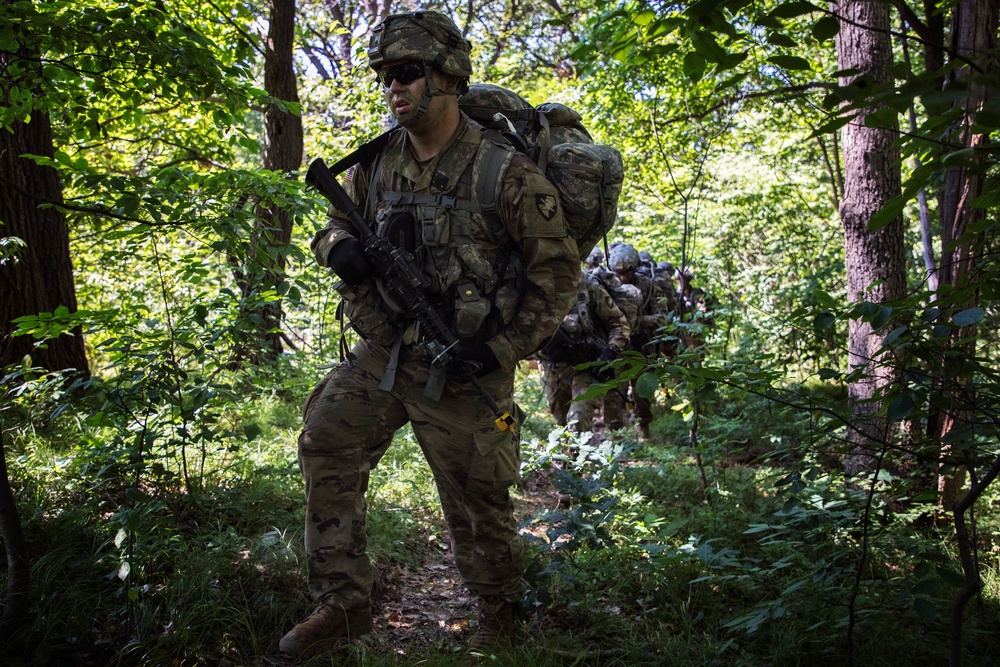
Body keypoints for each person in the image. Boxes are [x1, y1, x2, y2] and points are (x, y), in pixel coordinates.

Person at [280, 10, 581, 658]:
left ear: (448, 77)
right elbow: (335, 222)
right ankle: (342, 600)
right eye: (387, 75)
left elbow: (557, 274)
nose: (394, 86)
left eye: (408, 73)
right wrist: (338, 250)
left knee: (481, 501)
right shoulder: (378, 160)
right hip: (386, 353)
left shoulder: (502, 171)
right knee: (326, 436)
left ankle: (498, 609)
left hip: (467, 368)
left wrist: (498, 348)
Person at [539, 268, 630, 436]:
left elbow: (619, 326)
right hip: (553, 368)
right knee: (562, 422)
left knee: (578, 421)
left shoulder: (589, 287)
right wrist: (541, 347)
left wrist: (610, 352)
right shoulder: (534, 286)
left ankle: (576, 461)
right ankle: (570, 458)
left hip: (587, 365)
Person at [602, 243, 668, 440]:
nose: (622, 277)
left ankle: (644, 428)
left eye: (627, 272)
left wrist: (637, 322)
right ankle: (615, 436)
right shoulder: (606, 286)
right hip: (616, 348)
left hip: (640, 346)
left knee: (642, 392)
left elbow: (662, 317)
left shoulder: (649, 287)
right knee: (614, 392)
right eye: (618, 273)